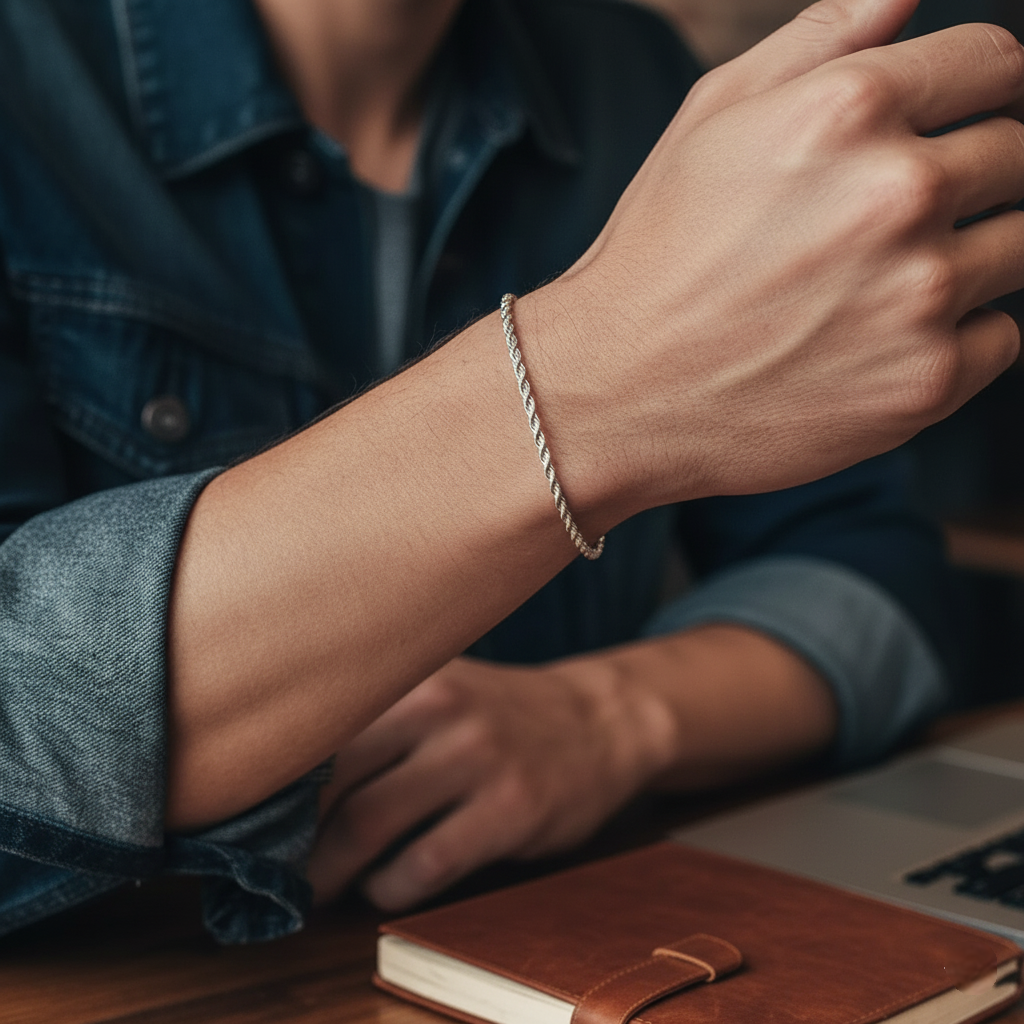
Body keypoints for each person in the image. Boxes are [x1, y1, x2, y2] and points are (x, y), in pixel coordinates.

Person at [0, 0, 1022, 944]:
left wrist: (612, 716)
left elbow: (876, 578)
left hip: (568, 946)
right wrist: (598, 373)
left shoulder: (629, 77)